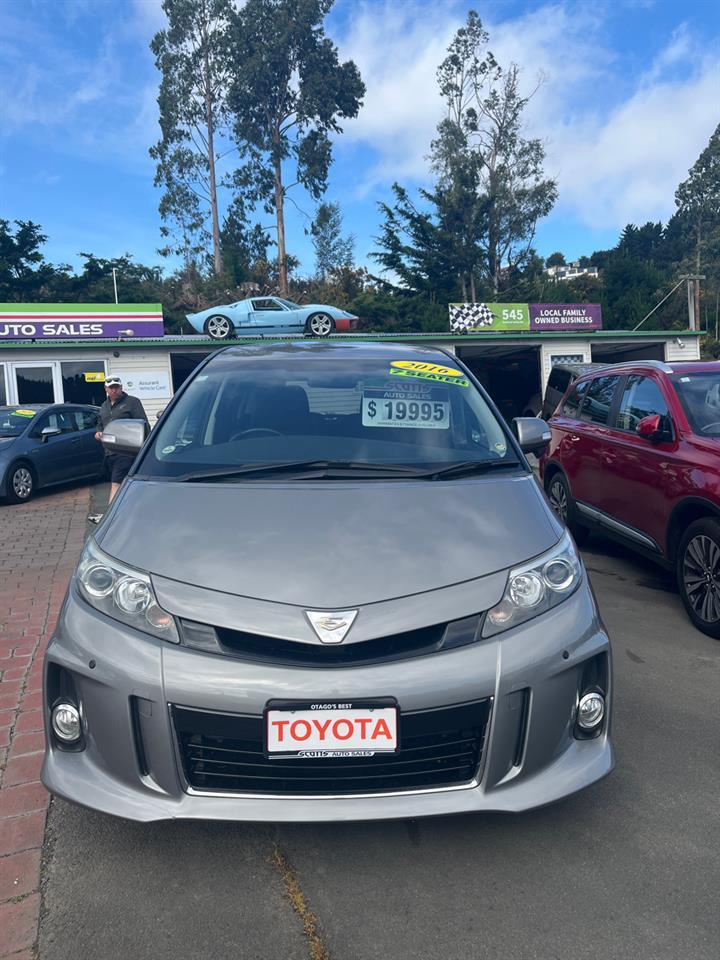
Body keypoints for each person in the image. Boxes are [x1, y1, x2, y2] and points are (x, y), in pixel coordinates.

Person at [88, 376, 148, 523]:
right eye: (111, 387)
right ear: (106, 389)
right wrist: (98, 432)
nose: (114, 390)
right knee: (127, 484)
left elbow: (143, 425)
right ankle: (131, 513)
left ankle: (108, 518)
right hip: (109, 452)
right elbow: (100, 424)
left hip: (127, 450)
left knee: (116, 483)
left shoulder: (132, 402)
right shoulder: (104, 406)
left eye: (117, 387)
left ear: (121, 387)